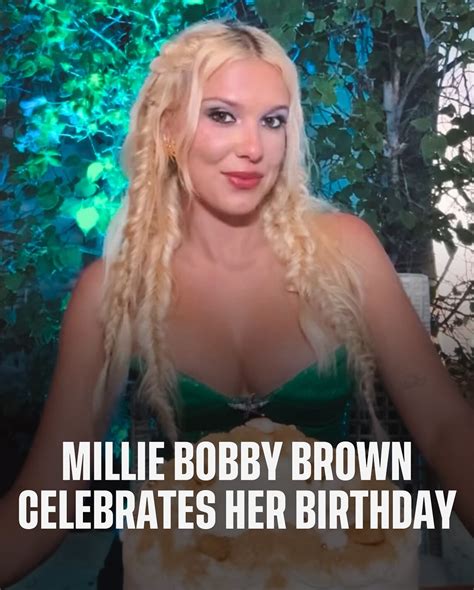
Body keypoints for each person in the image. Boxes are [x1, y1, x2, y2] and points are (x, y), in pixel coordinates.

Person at [0, 19, 473, 587]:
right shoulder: (111, 290)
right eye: (222, 115)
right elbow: (46, 495)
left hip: (332, 568)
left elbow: (445, 427)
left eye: (272, 121)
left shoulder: (347, 249)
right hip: (177, 571)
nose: (253, 148)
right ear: (168, 129)